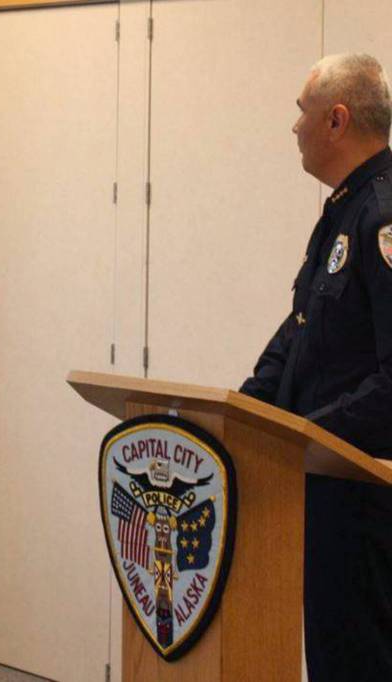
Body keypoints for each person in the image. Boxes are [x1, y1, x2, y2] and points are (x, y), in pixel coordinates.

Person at [240, 54, 392, 681]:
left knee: (358, 661)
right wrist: (243, 411)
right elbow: (301, 329)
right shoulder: (343, 211)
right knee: (331, 656)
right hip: (321, 485)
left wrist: (302, 436)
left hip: (362, 498)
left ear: (336, 120)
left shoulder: (382, 216)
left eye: (303, 112)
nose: (294, 127)